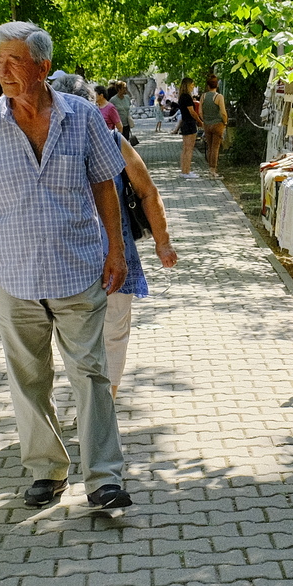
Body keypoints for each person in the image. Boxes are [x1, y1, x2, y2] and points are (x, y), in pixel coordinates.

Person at [0, 21, 132, 511]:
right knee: (28, 378)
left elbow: (105, 187)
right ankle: (46, 471)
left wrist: (117, 250)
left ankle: (104, 477)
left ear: (43, 66)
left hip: (77, 269)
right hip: (13, 274)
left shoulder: (83, 117)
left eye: (14, 61)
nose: (2, 70)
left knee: (90, 373)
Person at [106, 134, 177, 397]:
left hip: (115, 256)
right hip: (67, 260)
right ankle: (98, 401)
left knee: (111, 330)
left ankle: (104, 402)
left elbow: (147, 191)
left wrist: (163, 242)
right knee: (101, 334)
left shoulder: (113, 141)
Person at [201, 73, 228, 177]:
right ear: (217, 85)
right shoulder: (219, 97)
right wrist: (225, 122)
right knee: (215, 147)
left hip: (207, 124)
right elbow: (223, 112)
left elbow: (200, 112)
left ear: (208, 86)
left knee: (209, 147)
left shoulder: (203, 96)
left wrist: (205, 120)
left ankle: (209, 168)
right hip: (218, 124)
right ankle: (213, 169)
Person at [176, 76, 202, 177]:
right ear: (188, 85)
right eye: (192, 84)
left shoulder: (182, 97)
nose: (193, 86)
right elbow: (192, 111)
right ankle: (186, 171)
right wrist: (199, 120)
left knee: (185, 148)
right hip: (190, 123)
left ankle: (184, 170)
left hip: (185, 123)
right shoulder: (187, 97)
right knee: (189, 148)